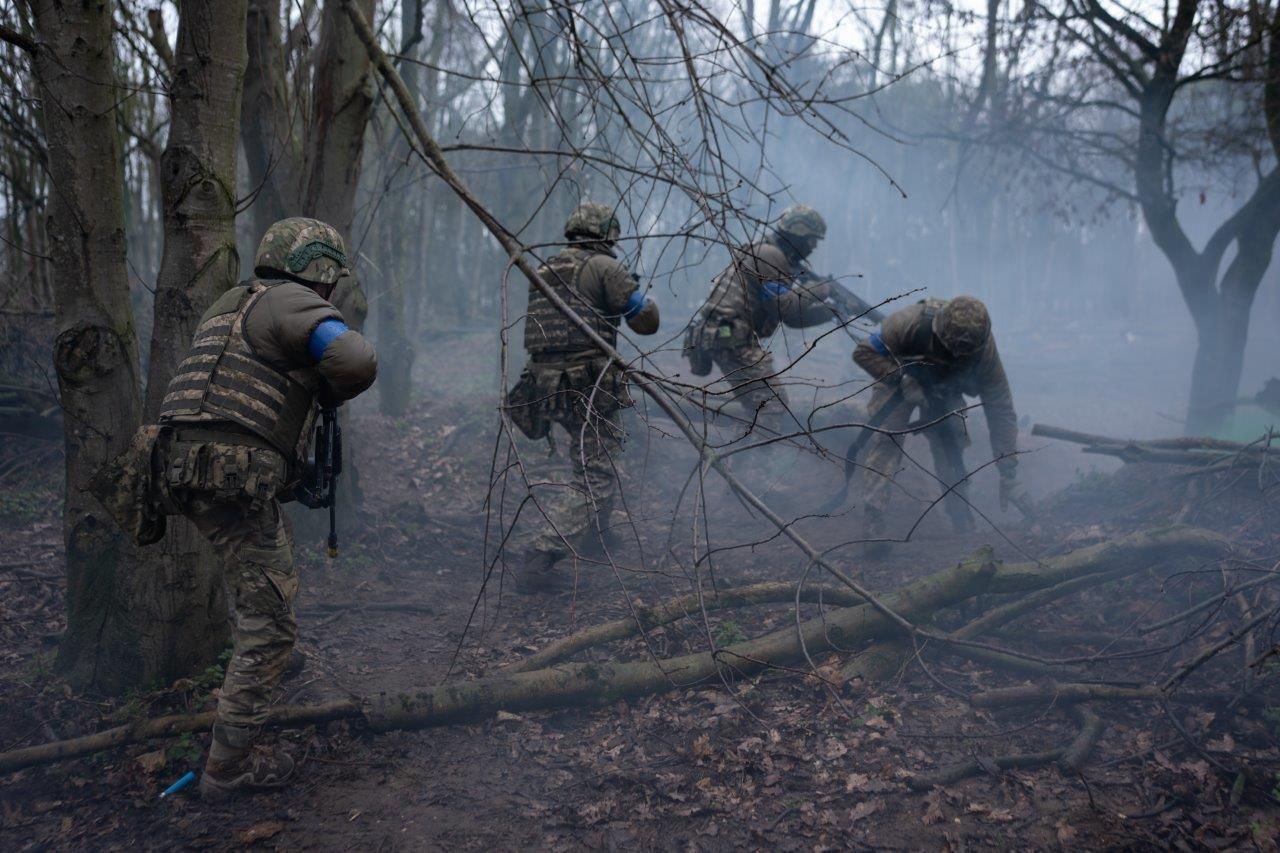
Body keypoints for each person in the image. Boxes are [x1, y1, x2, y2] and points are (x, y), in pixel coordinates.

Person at [94, 217, 378, 797]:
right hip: (231, 476)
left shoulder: (231, 302)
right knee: (270, 622)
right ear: (321, 269)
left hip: (183, 468)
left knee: (261, 576)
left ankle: (264, 661)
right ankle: (229, 767)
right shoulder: (294, 302)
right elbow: (355, 361)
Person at [508, 203, 659, 593]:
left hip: (546, 384)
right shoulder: (605, 268)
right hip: (589, 385)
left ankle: (597, 537)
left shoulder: (547, 267)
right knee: (596, 472)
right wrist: (646, 302)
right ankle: (541, 557)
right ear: (608, 234)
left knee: (595, 455)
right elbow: (645, 322)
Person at [851, 295, 1027, 554]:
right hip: (900, 379)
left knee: (952, 443)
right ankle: (873, 520)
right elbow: (863, 351)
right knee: (887, 440)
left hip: (945, 389)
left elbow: (1000, 409)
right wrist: (902, 379)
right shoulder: (908, 323)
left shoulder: (985, 352)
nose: (957, 354)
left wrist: (1008, 471)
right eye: (951, 349)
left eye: (963, 353)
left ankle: (961, 519)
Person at [684, 204, 844, 440]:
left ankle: (739, 460)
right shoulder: (769, 254)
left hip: (725, 334)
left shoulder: (768, 253)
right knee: (771, 405)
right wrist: (822, 289)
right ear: (798, 234)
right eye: (812, 240)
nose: (813, 247)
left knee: (760, 405)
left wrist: (830, 312)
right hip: (730, 335)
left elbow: (790, 319)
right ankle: (749, 466)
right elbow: (784, 307)